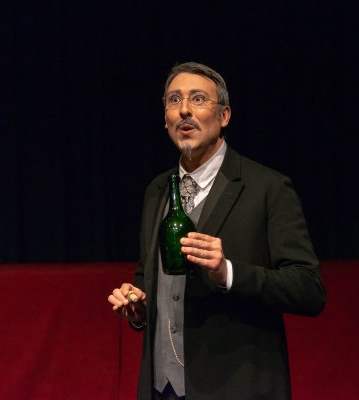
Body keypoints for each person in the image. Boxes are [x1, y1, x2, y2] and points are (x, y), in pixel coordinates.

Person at [108, 62, 326, 400]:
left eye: (198, 99)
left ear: (224, 116)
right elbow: (148, 277)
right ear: (165, 118)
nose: (184, 109)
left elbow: (309, 290)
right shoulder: (157, 191)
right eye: (174, 100)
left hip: (236, 386)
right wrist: (139, 305)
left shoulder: (267, 188)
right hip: (162, 388)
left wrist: (228, 273)